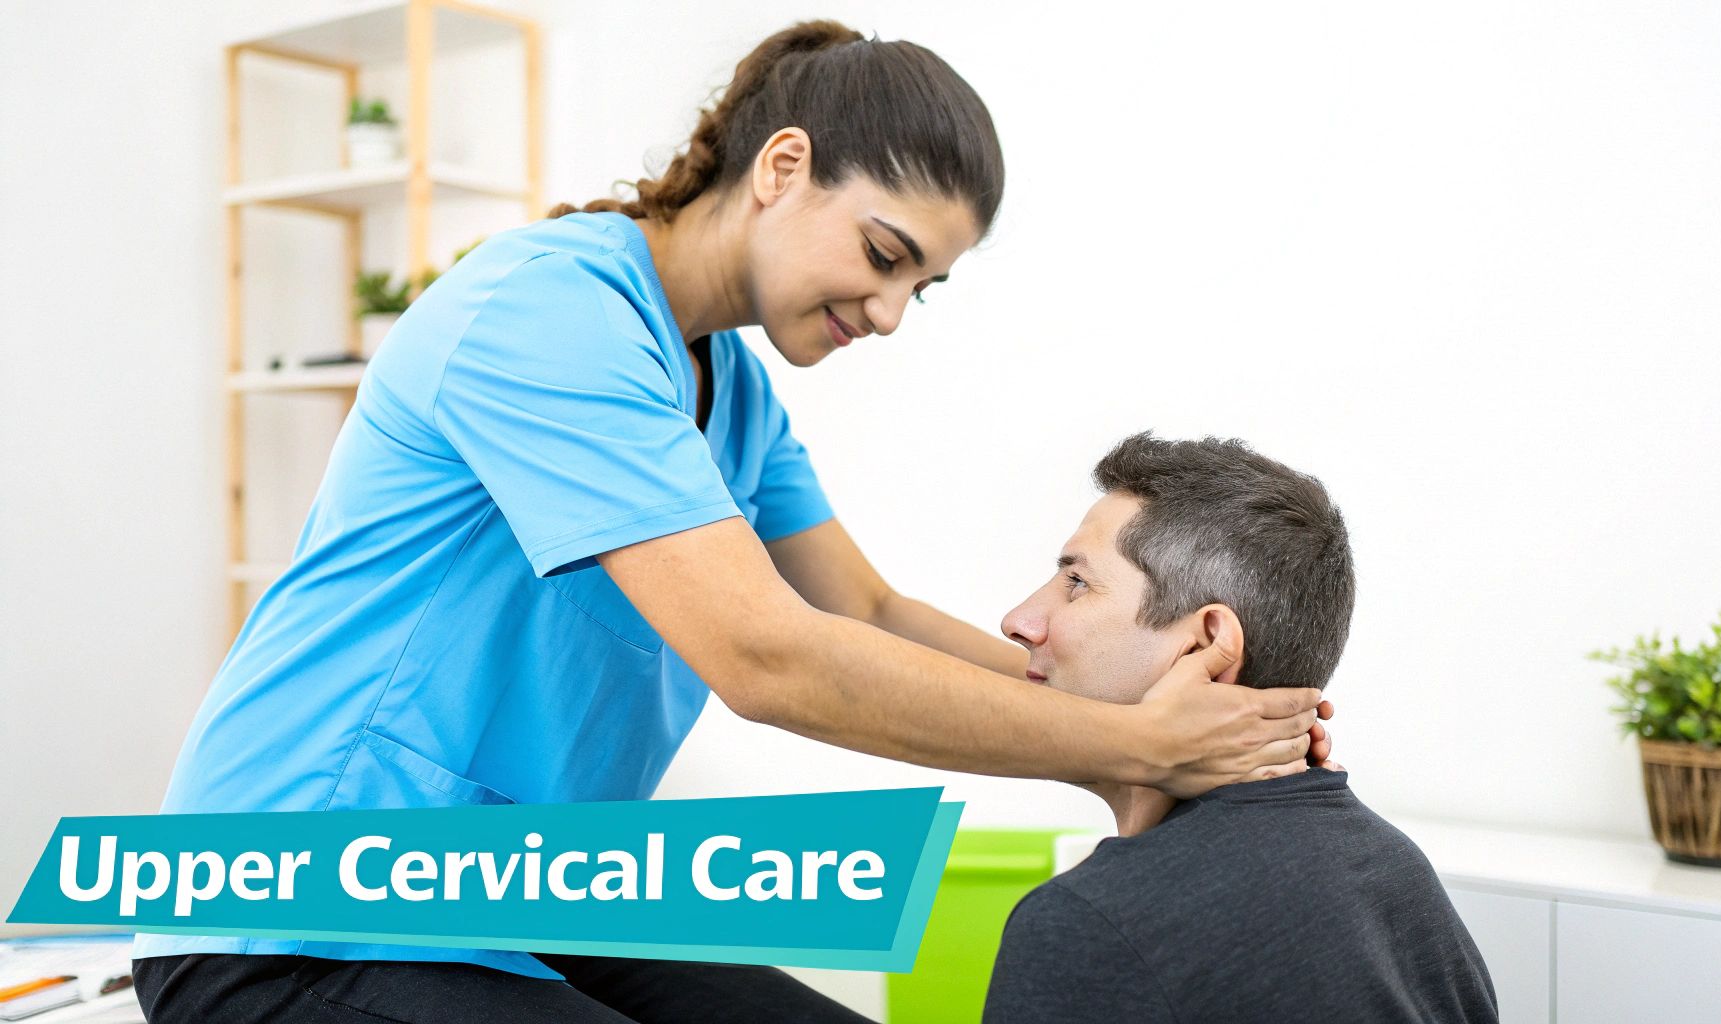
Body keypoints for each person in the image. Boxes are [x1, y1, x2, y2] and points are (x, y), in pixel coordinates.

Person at [132, 20, 1338, 1024]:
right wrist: (1136, 748)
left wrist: (1167, 715)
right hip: (298, 907)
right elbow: (767, 656)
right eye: (882, 253)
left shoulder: (734, 393)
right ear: (780, 166)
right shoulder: (546, 313)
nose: (889, 311)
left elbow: (866, 609)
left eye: (920, 287)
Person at [983, 433, 1497, 1023]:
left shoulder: (1094, 924)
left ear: (1205, 646)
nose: (1017, 621)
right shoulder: (1393, 868)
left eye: (1077, 583)